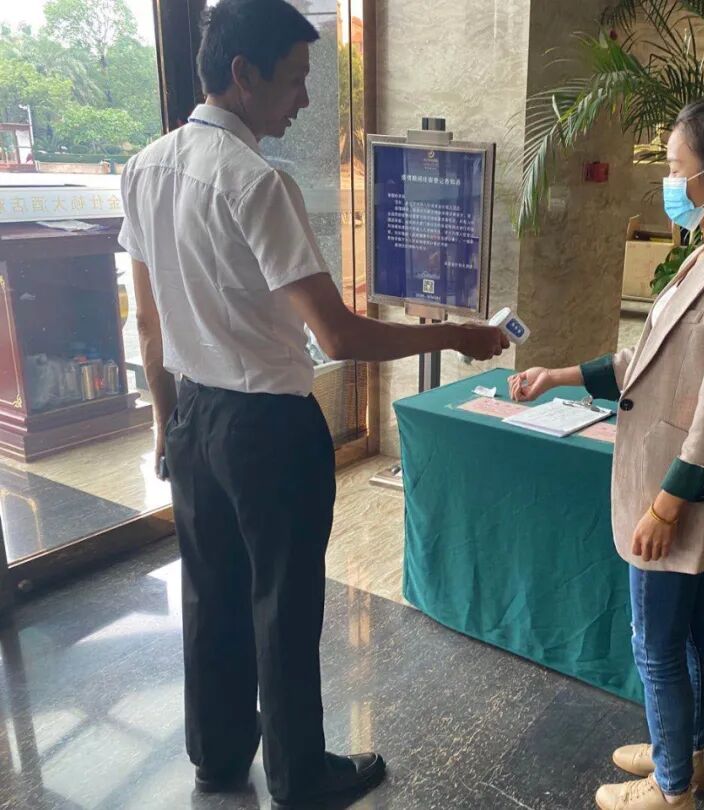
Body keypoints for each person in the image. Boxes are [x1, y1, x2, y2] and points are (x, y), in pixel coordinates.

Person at [118, 0, 507, 806]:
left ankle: (217, 754)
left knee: (210, 592)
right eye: (295, 79)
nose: (303, 99)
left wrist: (165, 421)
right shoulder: (258, 182)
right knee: (283, 605)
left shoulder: (144, 167)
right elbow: (336, 334)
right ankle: (300, 779)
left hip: (194, 417)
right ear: (243, 73)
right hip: (266, 426)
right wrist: (457, 336)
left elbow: (147, 322)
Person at [510, 96, 704, 810]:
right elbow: (652, 362)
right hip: (671, 478)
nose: (668, 181)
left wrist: (667, 505)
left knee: (657, 642)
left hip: (678, 486)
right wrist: (560, 375)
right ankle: (685, 756)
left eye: (675, 166)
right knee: (689, 630)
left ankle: (671, 790)